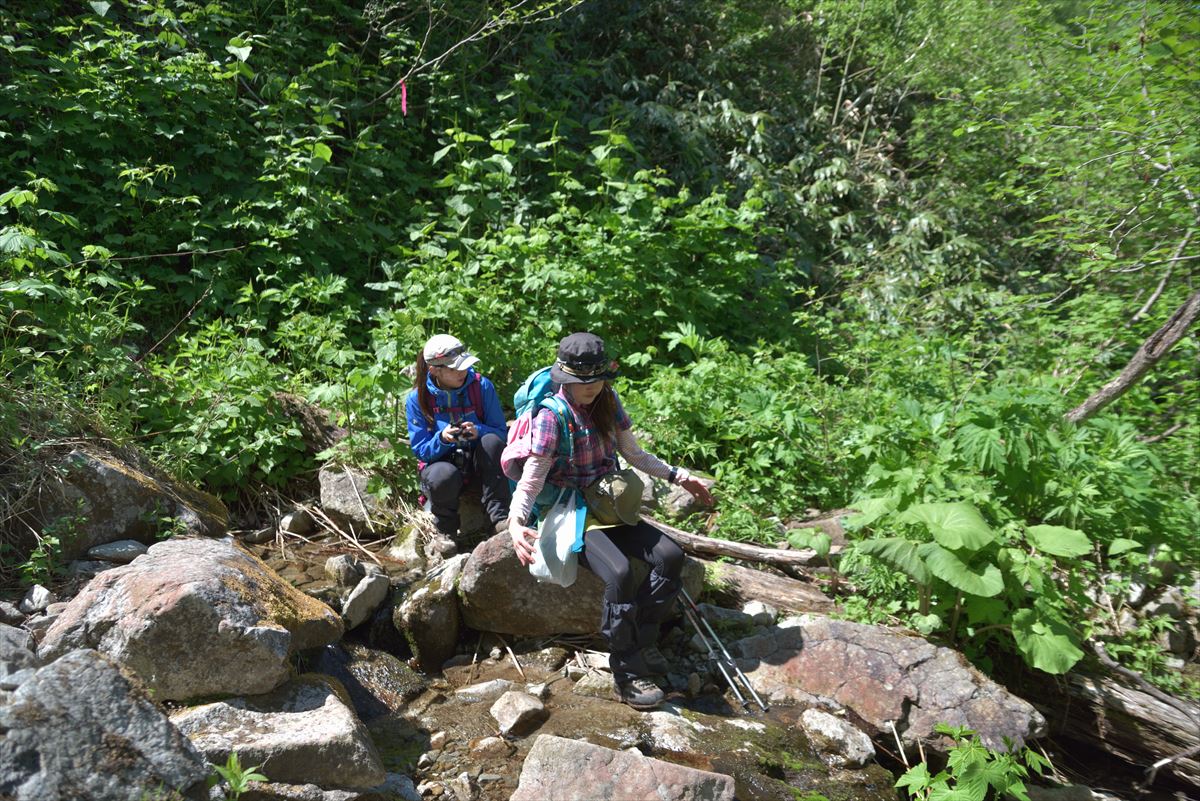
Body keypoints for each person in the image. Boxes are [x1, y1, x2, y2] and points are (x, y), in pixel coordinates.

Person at [507, 332, 714, 710]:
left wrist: (679, 476)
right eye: (580, 382)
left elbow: (633, 454)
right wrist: (515, 522)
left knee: (670, 555)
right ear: (564, 378)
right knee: (619, 573)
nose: (589, 388)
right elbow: (533, 476)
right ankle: (625, 671)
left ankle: (642, 642)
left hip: (609, 504)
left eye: (595, 380)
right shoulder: (552, 416)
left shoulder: (609, 401)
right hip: (573, 511)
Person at [406, 334, 511, 556]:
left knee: (492, 441)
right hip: (443, 468)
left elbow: (501, 432)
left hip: (479, 465)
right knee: (442, 474)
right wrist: (442, 439)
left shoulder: (481, 386)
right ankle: (446, 532)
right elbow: (421, 450)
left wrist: (478, 431)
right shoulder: (418, 399)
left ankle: (499, 520)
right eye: (454, 369)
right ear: (435, 370)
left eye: (464, 366)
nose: (462, 372)